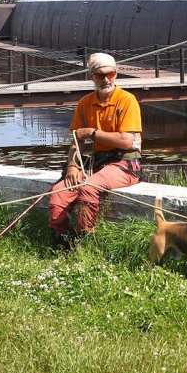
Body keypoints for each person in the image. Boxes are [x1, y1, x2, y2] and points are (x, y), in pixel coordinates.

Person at [47, 52, 142, 249]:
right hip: (98, 163)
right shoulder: (85, 103)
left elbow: (126, 141)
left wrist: (93, 133)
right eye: (100, 75)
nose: (106, 79)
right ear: (91, 76)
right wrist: (72, 166)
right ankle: (59, 241)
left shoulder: (127, 100)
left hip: (125, 162)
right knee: (59, 192)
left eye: (111, 74)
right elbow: (77, 141)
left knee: (89, 187)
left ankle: (84, 240)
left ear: (116, 74)